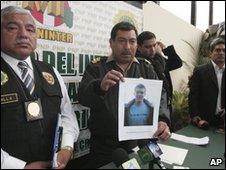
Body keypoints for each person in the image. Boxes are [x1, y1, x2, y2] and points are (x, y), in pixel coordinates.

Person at [78, 21, 171, 168]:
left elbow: (160, 96)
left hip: (138, 144)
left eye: (132, 41)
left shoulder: (146, 68)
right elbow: (82, 97)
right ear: (111, 42)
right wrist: (100, 87)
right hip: (104, 147)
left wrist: (163, 119)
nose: (127, 47)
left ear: (136, 44)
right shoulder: (96, 67)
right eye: (121, 41)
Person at [1, 6, 79, 169]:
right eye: (13, 28)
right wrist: (18, 167)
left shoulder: (51, 71)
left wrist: (66, 146)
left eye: (30, 29)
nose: (23, 34)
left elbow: (67, 115)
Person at [136, 31, 183, 130]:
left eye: (154, 45)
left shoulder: (158, 60)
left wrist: (165, 50)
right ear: (139, 47)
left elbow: (177, 63)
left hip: (165, 107)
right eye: (148, 47)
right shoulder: (139, 63)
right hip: (153, 111)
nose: (152, 49)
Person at [188, 37, 225, 130]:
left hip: (223, 122)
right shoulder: (200, 71)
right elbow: (193, 95)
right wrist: (195, 116)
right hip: (204, 122)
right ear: (210, 54)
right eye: (217, 50)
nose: (221, 53)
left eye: (224, 50)